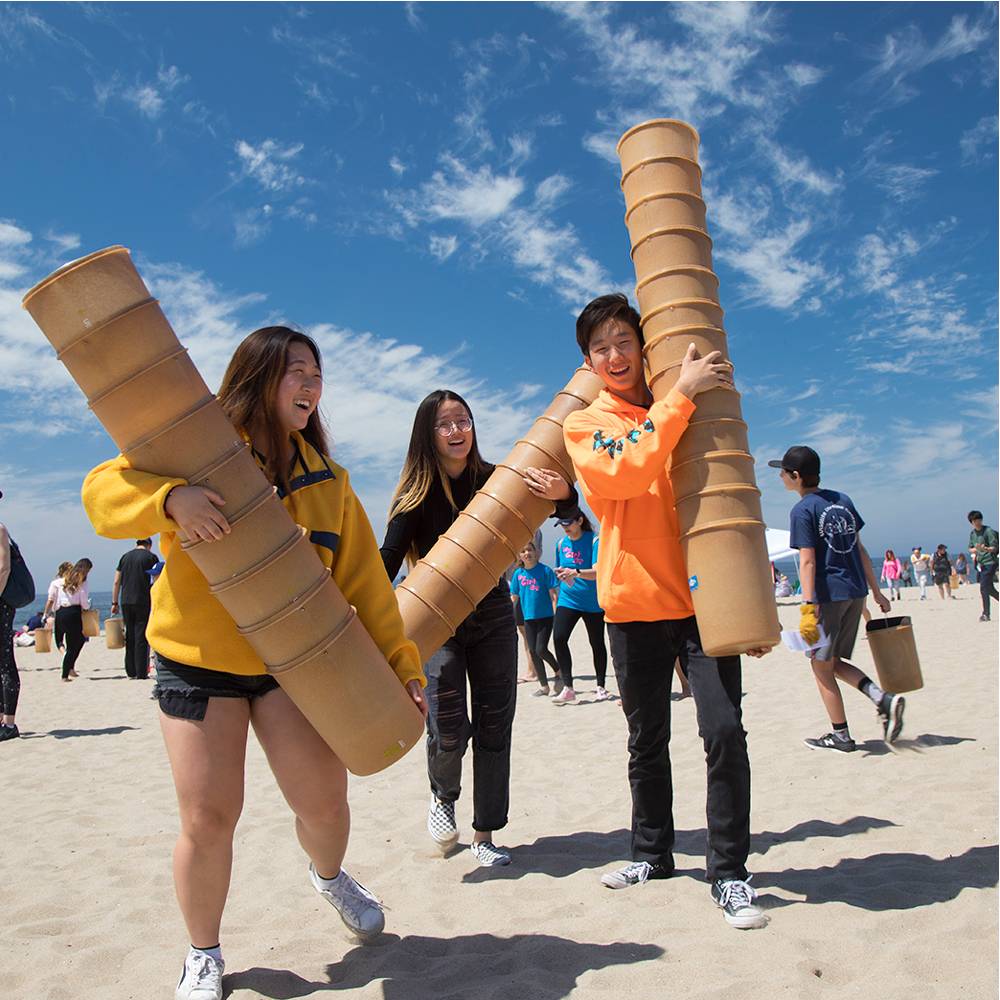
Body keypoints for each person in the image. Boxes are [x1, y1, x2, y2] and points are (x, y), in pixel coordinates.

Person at [82, 326, 427, 1000]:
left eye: (315, 375)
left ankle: (329, 877)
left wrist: (404, 665)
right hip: (196, 659)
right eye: (295, 371)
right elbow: (101, 493)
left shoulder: (329, 482)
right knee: (210, 818)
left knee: (325, 806)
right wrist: (169, 501)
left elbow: (365, 588)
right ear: (258, 377)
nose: (309, 385)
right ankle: (203, 953)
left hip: (293, 664)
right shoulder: (200, 450)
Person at [563, 293, 768, 930]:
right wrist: (679, 397)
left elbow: (728, 500)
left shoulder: (682, 404)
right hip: (630, 604)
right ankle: (651, 853)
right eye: (601, 347)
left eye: (624, 340)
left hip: (705, 604)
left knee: (724, 732)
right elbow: (624, 474)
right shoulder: (586, 423)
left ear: (643, 346)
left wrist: (753, 602)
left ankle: (730, 871)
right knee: (646, 741)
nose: (615, 355)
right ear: (589, 361)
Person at [380, 388, 576, 868]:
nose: (456, 431)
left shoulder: (495, 481)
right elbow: (386, 561)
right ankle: (443, 796)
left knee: (494, 725)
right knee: (448, 726)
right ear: (428, 435)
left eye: (463, 420)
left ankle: (485, 833)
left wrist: (565, 496)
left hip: (490, 616)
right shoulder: (415, 495)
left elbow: (569, 517)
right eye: (444, 424)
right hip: (437, 621)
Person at [772, 445, 905, 753]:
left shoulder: (803, 510)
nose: (779, 477)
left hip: (828, 595)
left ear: (795, 476)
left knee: (820, 666)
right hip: (854, 592)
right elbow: (860, 549)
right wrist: (876, 591)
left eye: (782, 472)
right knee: (831, 662)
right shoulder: (842, 501)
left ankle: (841, 735)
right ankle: (881, 699)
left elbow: (807, 561)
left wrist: (807, 606)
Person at [552, 508, 608, 702]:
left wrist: (575, 571)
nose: (565, 528)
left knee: (597, 643)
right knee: (559, 638)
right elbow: (562, 571)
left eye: (568, 523)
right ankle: (568, 687)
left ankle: (601, 686)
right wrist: (562, 574)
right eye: (562, 524)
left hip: (592, 602)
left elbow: (597, 573)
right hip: (568, 599)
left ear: (580, 520)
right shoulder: (560, 544)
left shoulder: (594, 540)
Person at [509, 541, 561, 697]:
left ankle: (558, 669)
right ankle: (544, 686)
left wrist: (556, 614)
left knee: (541, 649)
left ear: (536, 552)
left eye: (529, 550)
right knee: (532, 651)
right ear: (519, 556)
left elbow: (553, 595)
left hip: (546, 617)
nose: (527, 553)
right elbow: (514, 598)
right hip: (528, 618)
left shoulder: (545, 571)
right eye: (523, 551)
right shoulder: (518, 574)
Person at [111, 538, 159, 679]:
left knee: (130, 634)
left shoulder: (125, 557)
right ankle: (141, 671)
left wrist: (114, 603)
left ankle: (130, 670)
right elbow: (156, 578)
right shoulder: (151, 557)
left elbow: (116, 581)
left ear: (137, 543)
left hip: (126, 600)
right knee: (141, 635)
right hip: (143, 599)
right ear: (149, 545)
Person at [45, 558, 92, 682]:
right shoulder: (82, 582)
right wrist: (87, 608)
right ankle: (65, 674)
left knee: (70, 641)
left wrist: (47, 614)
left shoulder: (60, 581)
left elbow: (53, 598)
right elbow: (83, 601)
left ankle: (69, 668)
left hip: (61, 612)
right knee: (74, 644)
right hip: (74, 613)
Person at [968, 510, 998, 622]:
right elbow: (970, 548)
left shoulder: (988, 531)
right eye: (975, 520)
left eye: (979, 520)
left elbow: (995, 547)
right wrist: (976, 549)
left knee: (984, 588)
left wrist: (986, 548)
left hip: (991, 561)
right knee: (989, 589)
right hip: (982, 564)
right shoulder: (972, 533)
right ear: (971, 522)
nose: (977, 522)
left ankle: (986, 614)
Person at [44, 561, 73, 651]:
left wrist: (45, 614)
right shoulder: (74, 583)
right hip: (74, 611)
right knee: (71, 638)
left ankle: (64, 654)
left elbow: (51, 600)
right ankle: (68, 656)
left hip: (61, 611)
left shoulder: (55, 583)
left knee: (59, 639)